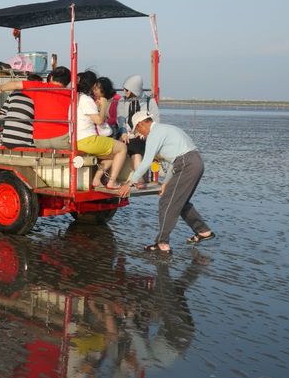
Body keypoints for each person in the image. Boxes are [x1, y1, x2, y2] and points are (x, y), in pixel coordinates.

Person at [118, 111, 215, 253]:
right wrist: (165, 183)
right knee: (180, 201)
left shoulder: (154, 134)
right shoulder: (167, 128)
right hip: (196, 162)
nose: (140, 134)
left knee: (166, 201)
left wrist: (129, 183)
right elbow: (174, 161)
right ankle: (203, 231)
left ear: (141, 124)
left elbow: (146, 162)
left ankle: (162, 243)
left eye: (138, 129)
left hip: (187, 164)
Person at [0, 66, 72, 149]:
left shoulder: (38, 87)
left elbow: (15, 84)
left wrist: (0, 88)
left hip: (40, 139)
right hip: (62, 138)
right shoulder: (71, 94)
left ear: (51, 77)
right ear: (68, 82)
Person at [75, 71, 127, 189]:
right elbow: (99, 121)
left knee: (113, 155)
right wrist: (103, 105)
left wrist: (98, 107)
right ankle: (112, 182)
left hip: (77, 140)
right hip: (87, 140)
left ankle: (97, 180)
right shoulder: (86, 99)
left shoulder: (76, 98)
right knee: (122, 148)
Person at [116, 75, 160, 189]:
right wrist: (124, 132)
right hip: (127, 134)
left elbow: (155, 120)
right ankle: (139, 180)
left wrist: (144, 132)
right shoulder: (122, 101)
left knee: (137, 145)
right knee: (131, 146)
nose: (124, 92)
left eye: (127, 90)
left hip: (143, 135)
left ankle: (139, 180)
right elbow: (120, 119)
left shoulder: (149, 101)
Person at [0, 73, 42, 148]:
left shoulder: (13, 94)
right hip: (25, 142)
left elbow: (1, 115)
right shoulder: (37, 98)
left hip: (7, 140)